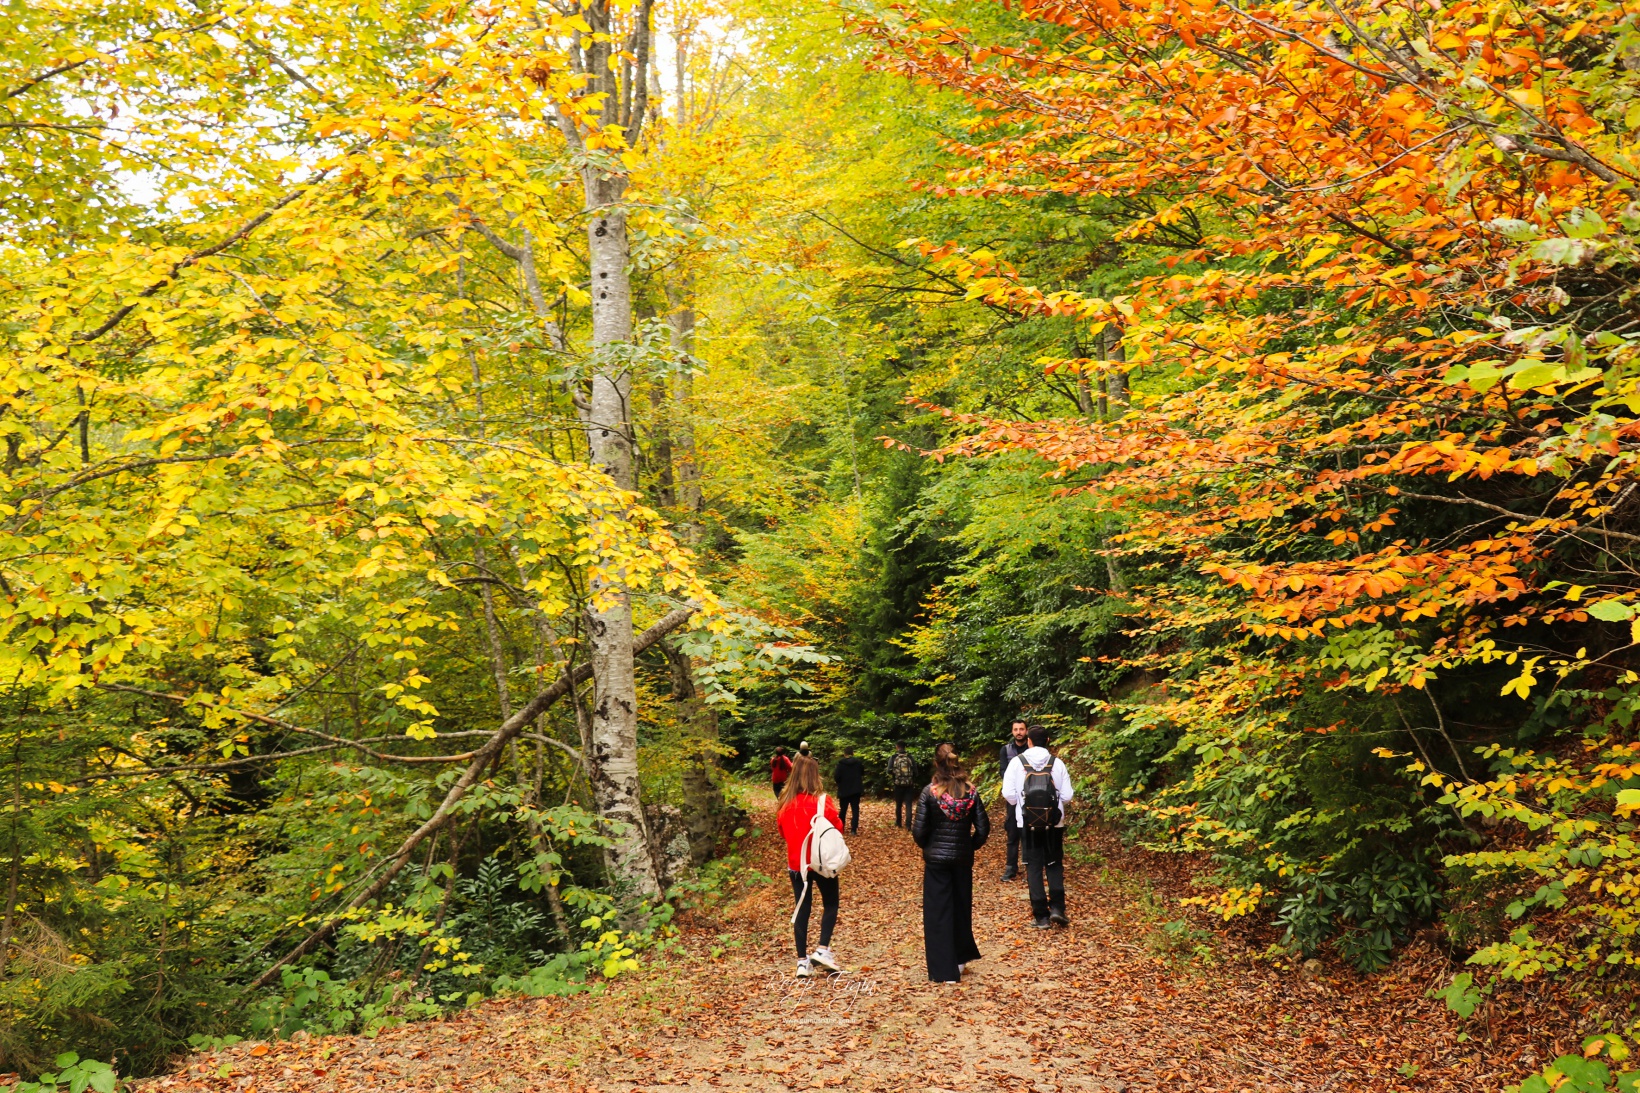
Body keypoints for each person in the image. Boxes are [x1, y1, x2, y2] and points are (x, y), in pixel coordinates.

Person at [912, 744, 989, 982]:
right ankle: (959, 960)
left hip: (937, 861)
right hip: (962, 860)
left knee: (938, 913)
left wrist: (929, 847)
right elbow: (983, 829)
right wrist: (968, 846)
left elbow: (919, 830)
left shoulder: (929, 793)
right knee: (960, 908)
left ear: (937, 764)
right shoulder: (971, 792)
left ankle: (944, 971)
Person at [776, 755, 844, 978]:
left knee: (801, 909)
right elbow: (837, 828)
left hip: (797, 864)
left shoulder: (785, 804)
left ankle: (801, 962)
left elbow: (782, 832)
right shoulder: (823, 802)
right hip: (821, 863)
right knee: (831, 903)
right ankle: (822, 949)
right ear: (815, 775)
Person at [1001, 724, 1074, 929]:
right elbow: (1067, 795)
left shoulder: (1017, 762)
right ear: (1048, 741)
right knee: (1054, 864)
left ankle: (1041, 916)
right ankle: (1058, 909)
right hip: (1054, 823)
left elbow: (1008, 794)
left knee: (1033, 866)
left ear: (1029, 741)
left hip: (1027, 822)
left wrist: (1020, 804)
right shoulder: (1057, 763)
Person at [997, 719, 1030, 882]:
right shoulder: (1006, 750)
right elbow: (1003, 771)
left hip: (1031, 796)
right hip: (1013, 797)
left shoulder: (1032, 750)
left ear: (1026, 731)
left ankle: (1030, 867)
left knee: (1028, 832)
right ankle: (1011, 867)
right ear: (1012, 731)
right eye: (1016, 729)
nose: (1019, 732)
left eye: (1021, 729)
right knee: (1012, 831)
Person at [833, 746, 865, 835]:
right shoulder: (858, 763)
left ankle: (841, 828)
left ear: (844, 754)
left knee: (843, 810)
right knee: (855, 809)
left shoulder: (840, 764)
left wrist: (840, 783)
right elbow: (862, 773)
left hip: (844, 790)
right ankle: (853, 829)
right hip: (856, 790)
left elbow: (836, 777)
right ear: (852, 753)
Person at [888, 743, 918, 828]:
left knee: (899, 804)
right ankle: (908, 824)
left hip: (898, 784)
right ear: (905, 747)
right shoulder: (910, 757)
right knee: (908, 804)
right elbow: (916, 772)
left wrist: (895, 775)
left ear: (897, 747)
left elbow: (889, 771)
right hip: (909, 784)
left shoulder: (893, 757)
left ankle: (898, 823)